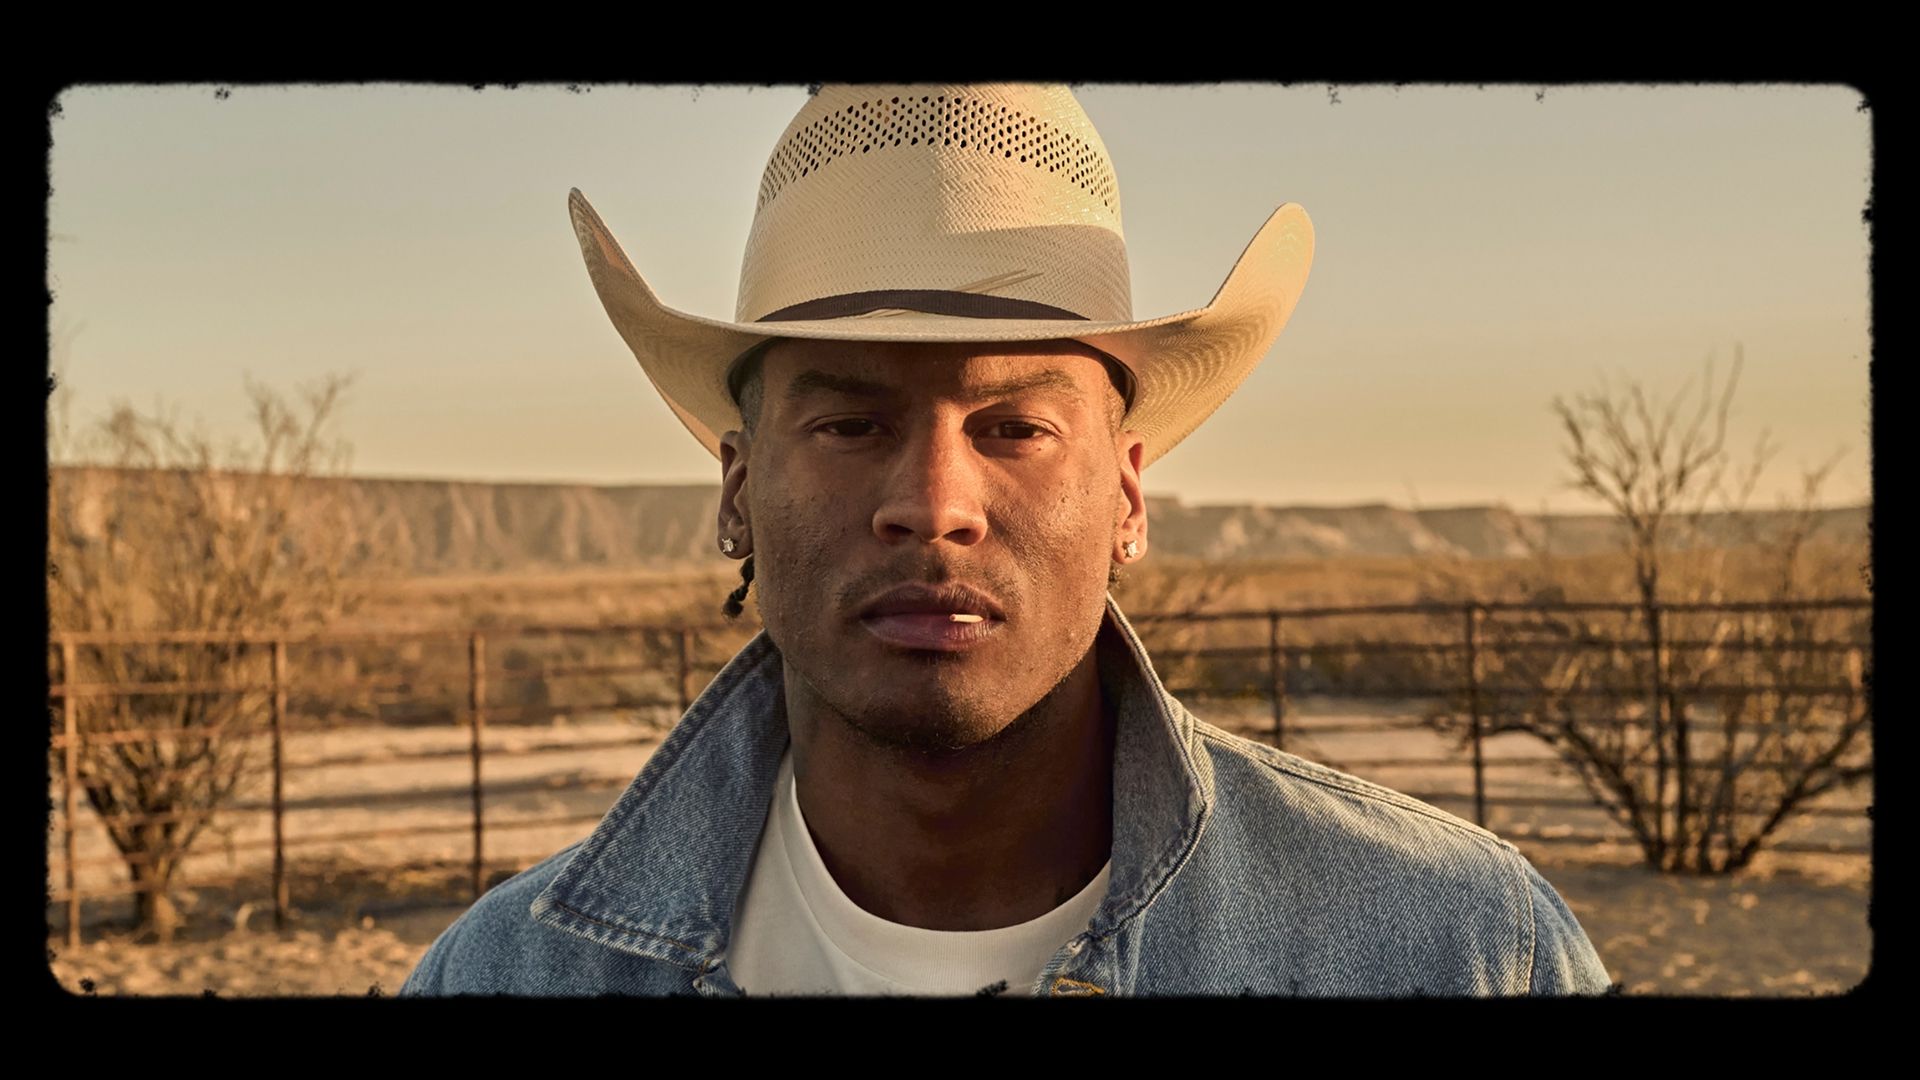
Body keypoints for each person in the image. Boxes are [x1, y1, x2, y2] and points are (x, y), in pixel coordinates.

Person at [400, 83, 1614, 997]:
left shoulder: (1449, 950)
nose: (935, 503)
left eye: (1016, 426)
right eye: (847, 422)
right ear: (736, 490)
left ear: (1128, 497)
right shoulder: (511, 973)